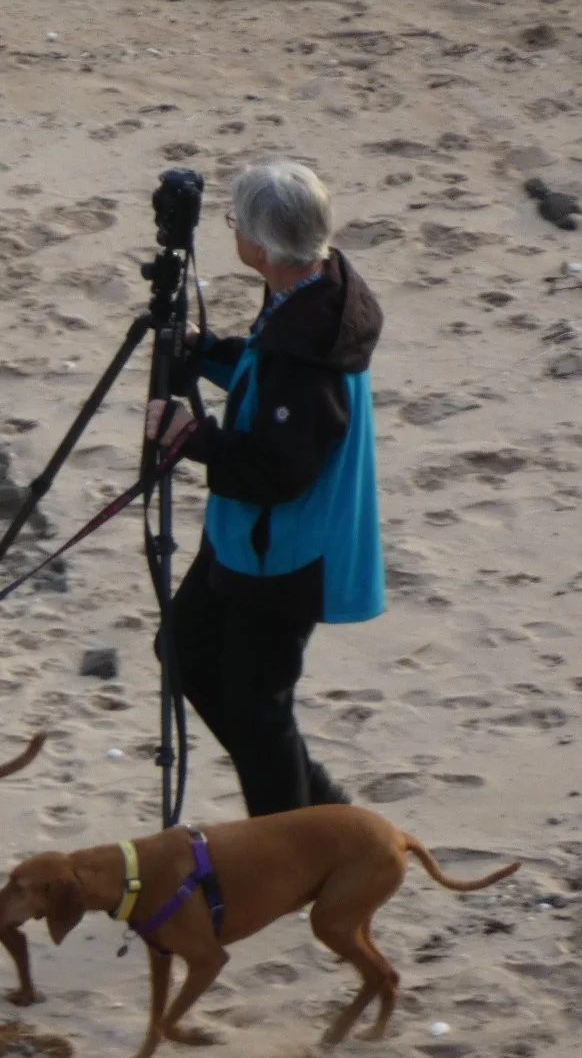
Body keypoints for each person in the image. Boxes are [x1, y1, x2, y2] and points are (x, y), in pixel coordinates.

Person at [142, 159, 385, 816]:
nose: (232, 232)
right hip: (249, 539)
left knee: (256, 709)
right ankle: (326, 820)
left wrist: (192, 438)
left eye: (236, 222)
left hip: (284, 554)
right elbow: (264, 379)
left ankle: (296, 842)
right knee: (186, 653)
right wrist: (207, 352)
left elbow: (279, 470)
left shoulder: (311, 344)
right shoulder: (307, 294)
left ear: (263, 245)